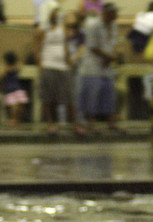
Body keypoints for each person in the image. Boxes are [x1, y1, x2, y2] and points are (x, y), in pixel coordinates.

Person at [35, 5, 84, 136]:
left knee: (68, 97)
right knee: (48, 98)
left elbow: (66, 46)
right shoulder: (42, 30)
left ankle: (75, 124)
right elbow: (37, 49)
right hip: (48, 65)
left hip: (62, 66)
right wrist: (40, 66)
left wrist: (68, 61)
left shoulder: (62, 28)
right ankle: (50, 124)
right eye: (54, 13)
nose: (56, 15)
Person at [77, 2, 120, 133]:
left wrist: (112, 56)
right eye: (114, 13)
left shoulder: (114, 26)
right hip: (92, 66)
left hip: (106, 66)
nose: (116, 15)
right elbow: (92, 46)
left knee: (109, 95)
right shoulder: (94, 25)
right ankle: (91, 123)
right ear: (106, 13)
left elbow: (114, 43)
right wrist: (107, 56)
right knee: (92, 97)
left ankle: (111, 122)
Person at [1, 51, 29, 126]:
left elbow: (2, 76)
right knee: (20, 104)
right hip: (17, 87)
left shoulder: (6, 68)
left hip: (9, 88)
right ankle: (18, 119)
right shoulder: (16, 68)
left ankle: (14, 119)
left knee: (13, 105)